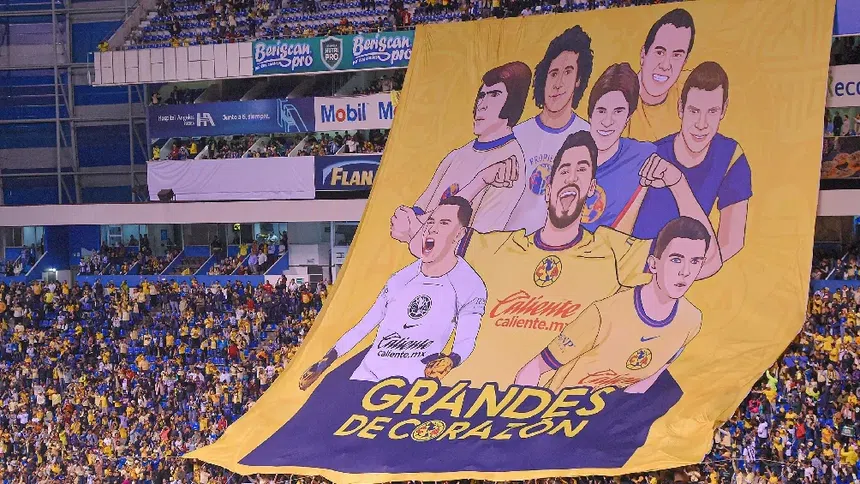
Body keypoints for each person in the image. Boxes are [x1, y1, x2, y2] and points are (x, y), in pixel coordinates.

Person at [411, 131, 720, 386]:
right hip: (477, 408)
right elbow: (423, 242)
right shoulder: (501, 246)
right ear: (548, 189)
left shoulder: (613, 250)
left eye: (582, 170)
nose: (572, 176)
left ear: (591, 189)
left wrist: (678, 184)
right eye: (564, 170)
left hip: (555, 417)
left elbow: (707, 262)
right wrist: (480, 180)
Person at [301, 196, 487, 387]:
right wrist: (327, 359)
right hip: (366, 378)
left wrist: (452, 359)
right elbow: (364, 326)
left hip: (410, 387)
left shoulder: (469, 284)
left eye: (444, 223)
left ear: (459, 234)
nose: (432, 228)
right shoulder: (400, 279)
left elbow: (466, 338)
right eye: (431, 221)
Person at [514, 216, 709, 392]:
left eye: (695, 261)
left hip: (610, 417)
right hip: (559, 414)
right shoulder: (603, 315)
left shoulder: (691, 321)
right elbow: (536, 367)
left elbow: (651, 378)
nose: (685, 271)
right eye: (676, 260)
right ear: (653, 264)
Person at [390, 62, 531, 241]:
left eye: (495, 95)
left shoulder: (509, 165)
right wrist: (407, 220)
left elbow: (473, 240)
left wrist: (414, 229)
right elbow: (421, 207)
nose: (482, 104)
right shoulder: (456, 155)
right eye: (481, 96)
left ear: (513, 102)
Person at [632, 61, 752, 264]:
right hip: (638, 266)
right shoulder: (651, 154)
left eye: (712, 111)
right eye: (694, 111)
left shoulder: (731, 157)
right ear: (681, 108)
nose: (701, 124)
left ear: (723, 110)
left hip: (687, 272)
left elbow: (732, 242)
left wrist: (682, 274)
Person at [508, 25, 593, 234]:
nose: (558, 83)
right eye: (553, 74)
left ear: (578, 80)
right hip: (511, 244)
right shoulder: (515, 136)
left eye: (568, 72)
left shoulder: (590, 136)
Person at [581, 62, 657, 233]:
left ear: (628, 118)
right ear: (590, 115)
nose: (607, 121)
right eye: (601, 111)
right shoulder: (569, 154)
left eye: (618, 111)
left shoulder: (644, 156)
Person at [626, 8, 696, 142]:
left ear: (684, 62)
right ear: (643, 55)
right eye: (659, 52)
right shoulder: (620, 101)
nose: (665, 65)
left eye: (677, 55)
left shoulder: (693, 87)